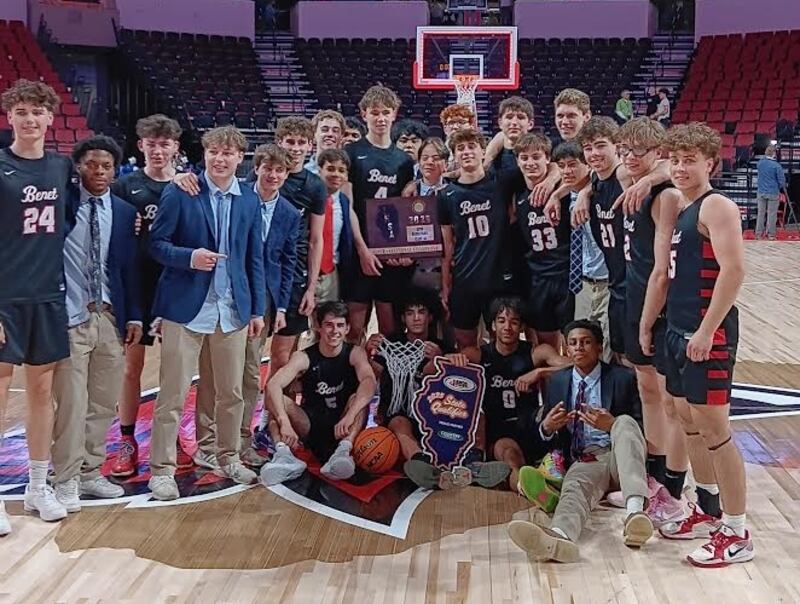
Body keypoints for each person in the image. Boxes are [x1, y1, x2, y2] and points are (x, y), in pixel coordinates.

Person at [642, 123, 753, 567]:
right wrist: (654, 323)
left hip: (708, 331)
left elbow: (735, 271)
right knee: (683, 416)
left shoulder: (717, 206)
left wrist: (707, 331)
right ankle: (707, 509)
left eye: (691, 159)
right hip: (678, 329)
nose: (682, 167)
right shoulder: (683, 209)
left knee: (715, 431)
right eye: (676, 159)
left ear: (711, 163)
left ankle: (738, 530)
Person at [147, 125, 265, 500]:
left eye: (228, 153)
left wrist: (257, 308)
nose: (220, 158)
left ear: (239, 159)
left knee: (231, 393)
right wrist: (189, 258)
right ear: (205, 153)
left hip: (231, 309)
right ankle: (161, 470)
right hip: (185, 309)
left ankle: (226, 456)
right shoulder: (182, 192)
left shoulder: (248, 197)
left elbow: (253, 258)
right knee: (173, 395)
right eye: (214, 151)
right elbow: (156, 245)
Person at [507, 320, 652, 562]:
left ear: (598, 347)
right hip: (586, 457)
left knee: (626, 422)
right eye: (573, 343)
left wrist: (612, 424)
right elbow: (544, 435)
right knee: (573, 489)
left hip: (620, 454)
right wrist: (547, 428)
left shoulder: (622, 377)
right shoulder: (558, 381)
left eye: (585, 342)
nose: (579, 348)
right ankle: (558, 538)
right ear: (566, 348)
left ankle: (636, 514)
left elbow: (643, 429)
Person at [195, 144, 301, 469]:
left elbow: (288, 262)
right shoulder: (236, 195)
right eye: (267, 168)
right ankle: (207, 443)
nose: (272, 175)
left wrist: (280, 306)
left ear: (286, 174)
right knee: (212, 373)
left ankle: (241, 441)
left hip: (262, 302)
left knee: (250, 373)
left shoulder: (290, 212)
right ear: (256, 168)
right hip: (224, 297)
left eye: (279, 170)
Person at [51, 135, 142, 510]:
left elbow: (127, 267)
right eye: (91, 164)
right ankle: (65, 477)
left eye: (106, 166)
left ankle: (90, 472)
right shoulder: (60, 204)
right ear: (78, 168)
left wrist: (133, 313)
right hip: (70, 316)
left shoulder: (123, 211)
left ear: (116, 169)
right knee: (72, 403)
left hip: (109, 316)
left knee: (103, 402)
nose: (99, 171)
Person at [0, 79, 76, 526]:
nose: (30, 119)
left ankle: (35, 486)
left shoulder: (59, 168)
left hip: (48, 295)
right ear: (10, 117)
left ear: (51, 118)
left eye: (38, 112)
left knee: (42, 393)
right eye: (21, 111)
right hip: (5, 297)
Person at [616, 117, 687, 525]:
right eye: (626, 151)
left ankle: (674, 489)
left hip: (657, 307)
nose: (629, 158)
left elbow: (662, 270)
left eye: (637, 152)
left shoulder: (665, 196)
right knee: (646, 391)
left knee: (671, 402)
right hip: (632, 296)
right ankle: (655, 475)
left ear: (657, 154)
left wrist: (647, 320)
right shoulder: (632, 181)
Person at [109, 114, 186, 478]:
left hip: (173, 285)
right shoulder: (125, 187)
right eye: (151, 143)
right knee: (131, 368)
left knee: (175, 371)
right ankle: (126, 439)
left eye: (164, 143)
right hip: (137, 286)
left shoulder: (188, 187)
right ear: (141, 146)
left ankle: (170, 440)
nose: (158, 150)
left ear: (175, 148)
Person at [447, 298, 570, 491]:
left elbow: (576, 366)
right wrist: (453, 358)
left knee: (556, 415)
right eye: (502, 321)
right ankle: (529, 490)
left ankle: (557, 466)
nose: (507, 327)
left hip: (531, 427)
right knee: (511, 457)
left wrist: (540, 372)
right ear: (493, 325)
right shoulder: (479, 354)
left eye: (514, 322)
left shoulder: (535, 352)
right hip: (499, 432)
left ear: (521, 326)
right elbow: (437, 368)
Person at [261, 301, 376, 485]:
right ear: (318, 327)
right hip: (310, 424)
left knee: (358, 398)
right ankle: (284, 455)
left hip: (344, 424)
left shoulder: (355, 353)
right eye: (329, 325)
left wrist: (350, 415)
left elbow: (369, 382)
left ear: (347, 328)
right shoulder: (303, 357)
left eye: (339, 325)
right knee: (275, 400)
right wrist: (285, 423)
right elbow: (273, 385)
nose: (334, 331)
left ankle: (343, 451)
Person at [343, 84, 416, 341]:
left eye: (386, 112)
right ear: (364, 114)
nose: (381, 118)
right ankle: (352, 381)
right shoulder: (351, 154)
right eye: (375, 113)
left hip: (389, 254)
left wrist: (402, 250)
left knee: (391, 327)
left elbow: (406, 211)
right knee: (353, 327)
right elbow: (347, 206)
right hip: (359, 251)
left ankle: (388, 380)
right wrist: (362, 249)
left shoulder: (405, 161)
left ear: (395, 114)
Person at [437, 128, 512, 349]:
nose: (466, 152)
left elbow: (504, 135)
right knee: (466, 343)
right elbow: (447, 244)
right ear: (455, 155)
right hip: (465, 279)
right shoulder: (446, 195)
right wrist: (445, 283)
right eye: (460, 148)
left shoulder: (501, 183)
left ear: (482, 152)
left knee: (503, 343)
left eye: (472, 147)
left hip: (499, 279)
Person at [551, 141, 612, 362]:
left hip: (608, 282)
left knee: (606, 349)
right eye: (562, 166)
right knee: (581, 347)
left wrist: (587, 191)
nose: (567, 171)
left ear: (588, 165)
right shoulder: (569, 194)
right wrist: (556, 195)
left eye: (573, 165)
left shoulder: (601, 190)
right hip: (581, 282)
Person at [512, 133, 572, 347]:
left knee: (576, 340)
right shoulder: (518, 198)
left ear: (548, 158)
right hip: (539, 278)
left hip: (567, 276)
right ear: (517, 161)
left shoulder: (564, 190)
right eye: (524, 158)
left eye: (536, 157)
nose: (530, 163)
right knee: (547, 342)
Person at [576, 117, 628, 360]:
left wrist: (649, 179)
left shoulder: (626, 175)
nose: (594, 153)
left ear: (617, 145)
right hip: (616, 282)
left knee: (633, 360)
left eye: (600, 145)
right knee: (616, 355)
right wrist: (583, 194)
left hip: (634, 283)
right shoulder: (597, 181)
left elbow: (665, 166)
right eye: (588, 148)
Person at [315, 148, 356, 304]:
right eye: (330, 169)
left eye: (341, 171)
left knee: (328, 322)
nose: (336, 175)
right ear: (319, 171)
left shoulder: (344, 201)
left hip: (332, 271)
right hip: (305, 271)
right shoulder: (308, 198)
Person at [755, 144, 786, 240]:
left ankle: (758, 234)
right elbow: (781, 180)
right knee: (772, 214)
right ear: (774, 154)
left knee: (760, 213)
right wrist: (781, 186)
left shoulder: (760, 163)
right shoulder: (776, 166)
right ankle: (771, 235)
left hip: (761, 191)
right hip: (772, 192)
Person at [304, 109, 346, 176]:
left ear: (341, 136)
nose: (330, 134)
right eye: (324, 130)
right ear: (313, 134)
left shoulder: (349, 171)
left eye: (335, 131)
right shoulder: (305, 172)